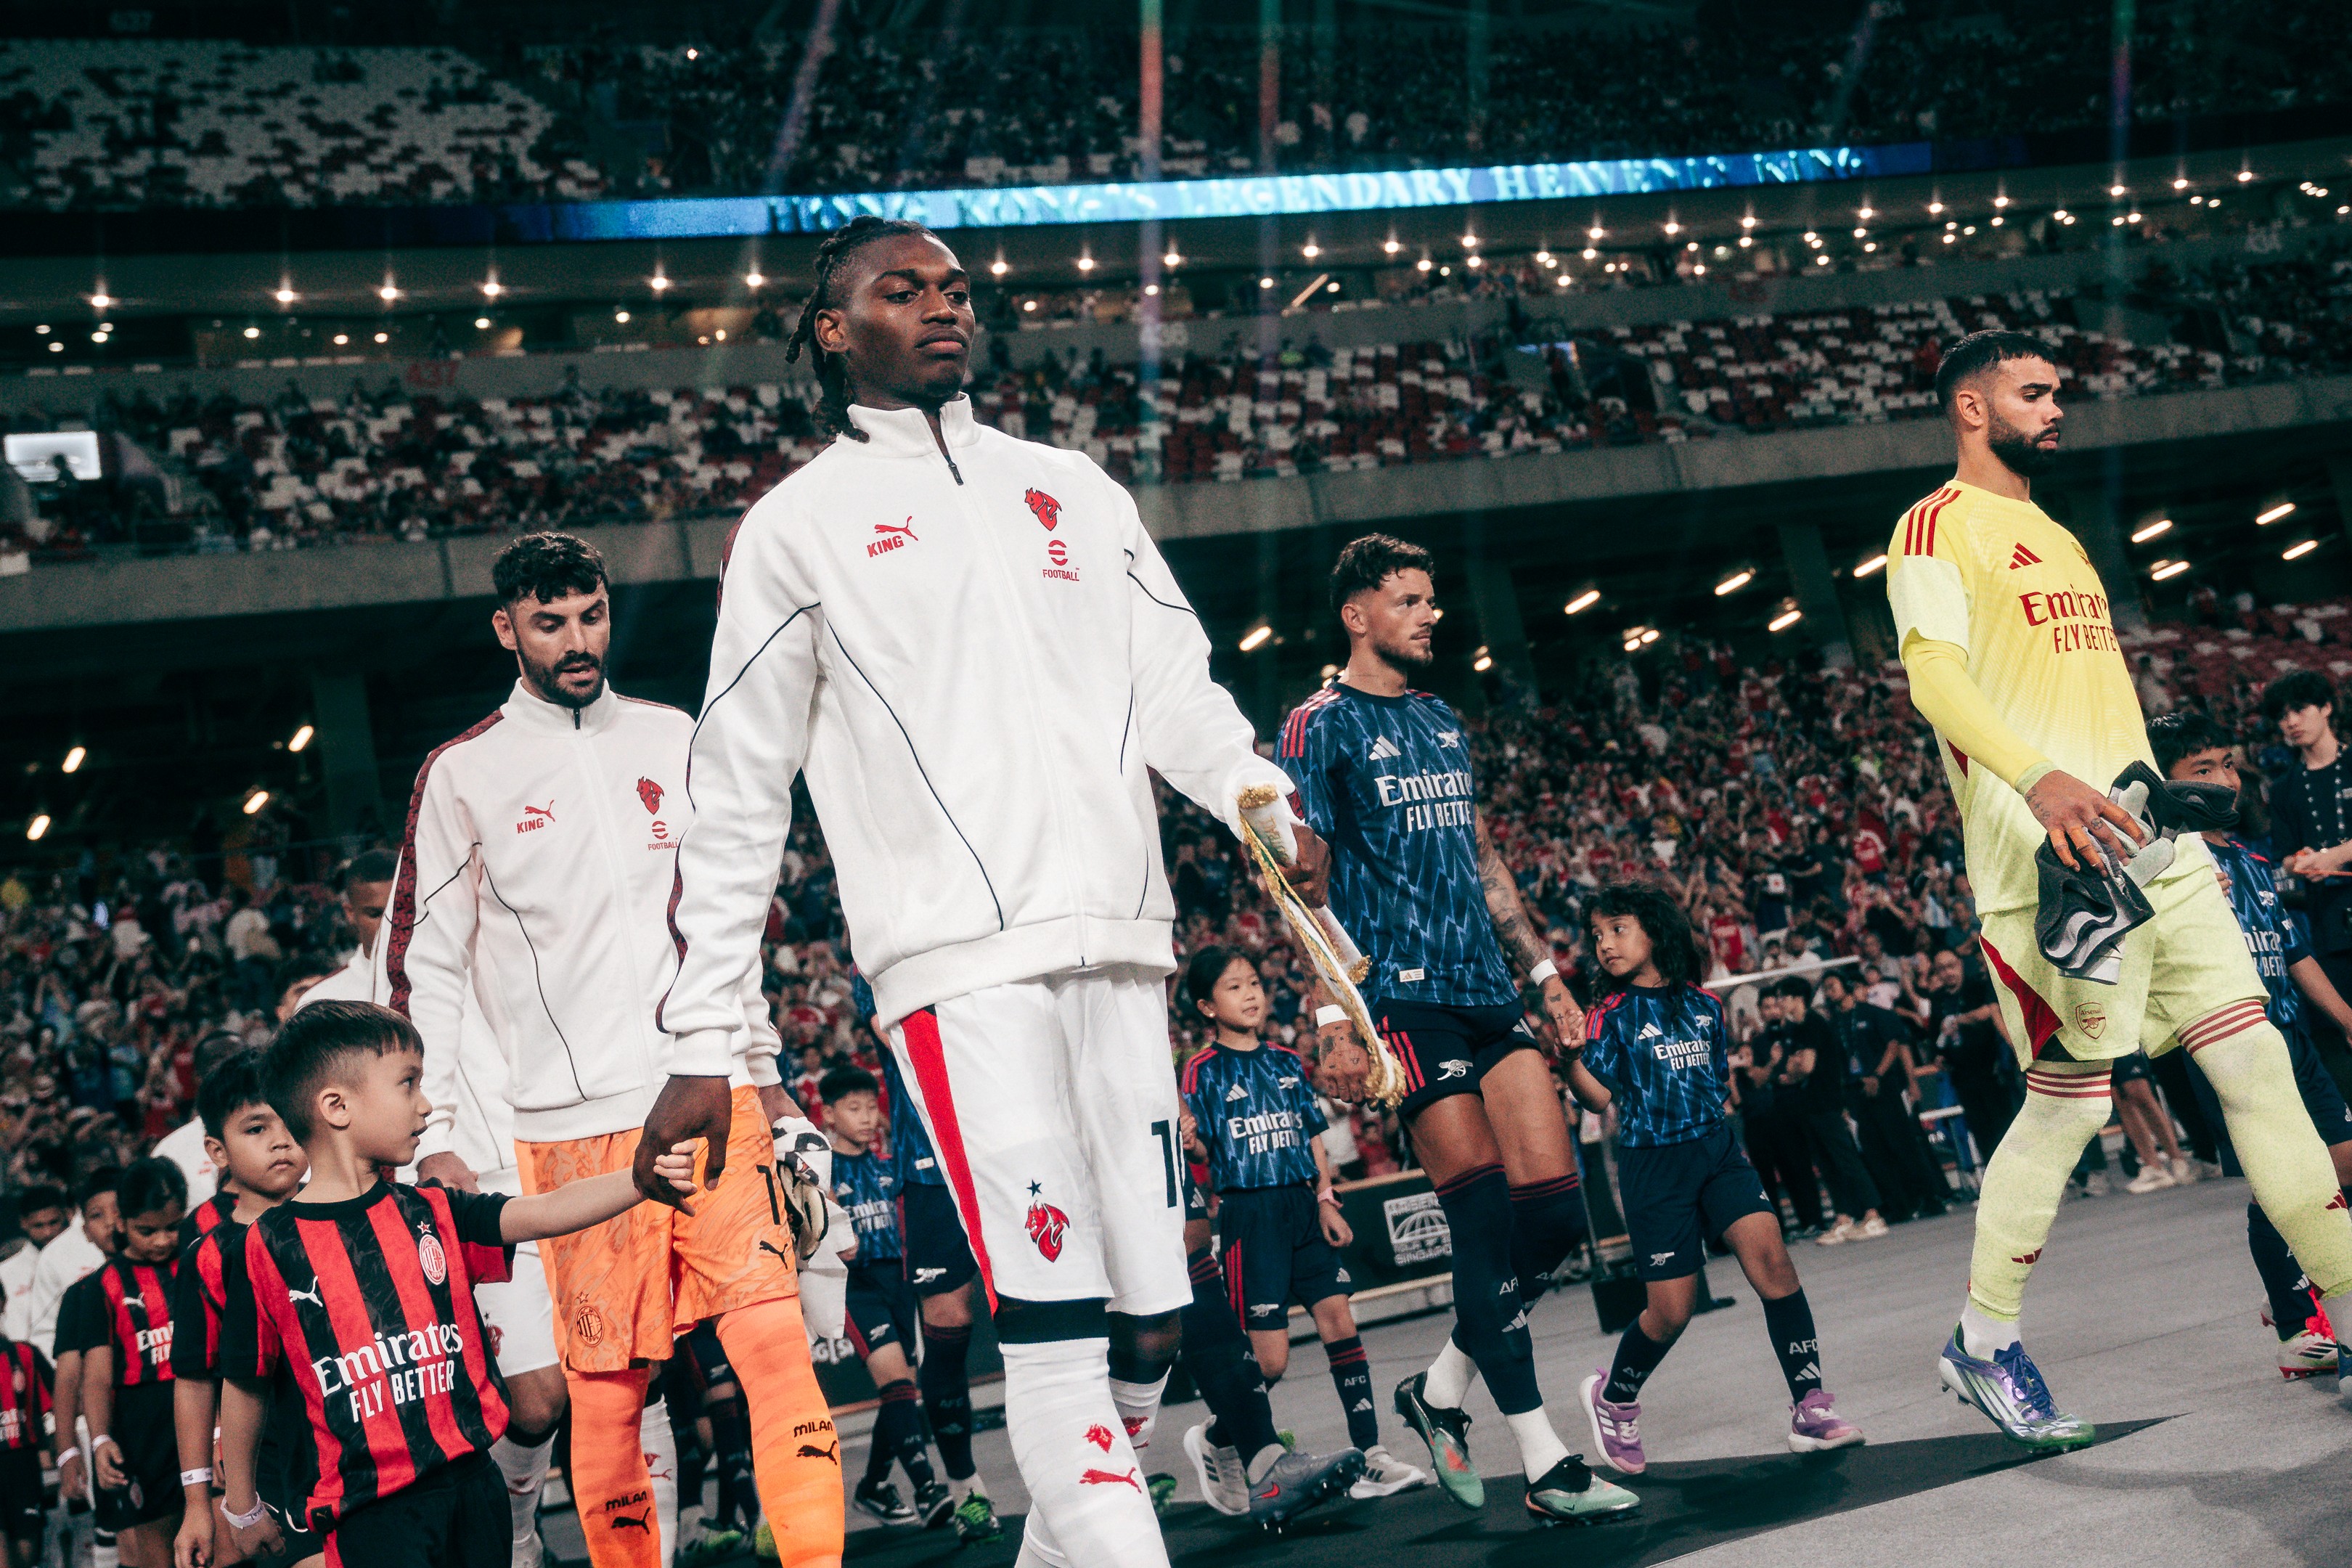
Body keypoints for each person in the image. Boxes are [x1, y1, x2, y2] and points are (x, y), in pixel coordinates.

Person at [657, 214, 1326, 1568]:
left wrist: (1259, 798)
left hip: (1125, 951)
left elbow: (1172, 690)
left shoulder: (1071, 486)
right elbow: (734, 791)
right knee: (1059, 1318)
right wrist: (700, 1036)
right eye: (902, 291)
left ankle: (1060, 1541)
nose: (944, 306)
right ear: (835, 332)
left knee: (1150, 1321)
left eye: (956, 288)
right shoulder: (796, 529)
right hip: (961, 971)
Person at [1885, 328, 2352, 1442]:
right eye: (2033, 394)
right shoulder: (1931, 528)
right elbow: (1933, 676)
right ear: (1969, 407)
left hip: (2153, 851)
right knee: (2074, 1104)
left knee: (2258, 1067)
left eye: (2060, 393)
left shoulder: (2055, 532)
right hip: (2049, 869)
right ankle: (1983, 1338)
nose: (2056, 409)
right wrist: (2041, 781)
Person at [386, 531, 825, 1568]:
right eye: (550, 623)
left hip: (706, 1094)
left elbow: (727, 928)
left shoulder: (677, 736)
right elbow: (428, 967)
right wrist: (435, 1132)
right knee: (610, 1395)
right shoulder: (463, 776)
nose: (576, 640)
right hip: (569, 1131)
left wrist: (760, 1075)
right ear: (508, 629)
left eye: (590, 616)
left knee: (774, 1347)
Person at [1277, 534, 1631, 1525]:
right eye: (1410, 600)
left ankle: (1436, 1392)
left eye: (1433, 600)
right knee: (1479, 1220)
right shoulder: (1317, 724)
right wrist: (1330, 1019)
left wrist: (1549, 975)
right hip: (1398, 1000)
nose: (1432, 614)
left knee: (1555, 1216)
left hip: (1487, 991)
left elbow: (1483, 863)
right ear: (1359, 615)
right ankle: (1544, 1463)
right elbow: (1303, 882)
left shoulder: (1440, 719)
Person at [213, 1001, 700, 1568]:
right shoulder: (265, 1246)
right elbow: (245, 1382)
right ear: (336, 1107)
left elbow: (544, 1210)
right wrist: (242, 1506)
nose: (427, 1106)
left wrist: (641, 1178)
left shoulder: (432, 1212)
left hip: (475, 1487)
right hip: (372, 1513)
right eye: (408, 1084)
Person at [1564, 884, 1864, 1473]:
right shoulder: (1609, 1015)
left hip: (1719, 1151)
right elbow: (1597, 1097)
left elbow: (1713, 1081)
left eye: (1617, 928)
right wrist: (1569, 1057)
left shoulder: (1706, 1007)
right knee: (1671, 1312)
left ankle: (1810, 1407)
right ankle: (1615, 1397)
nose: (1604, 943)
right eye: (1597, 934)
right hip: (1655, 1166)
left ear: (1655, 931)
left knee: (1774, 1264)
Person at [1175, 948, 1428, 1498]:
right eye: (1233, 987)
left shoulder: (1287, 1060)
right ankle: (1221, 1436)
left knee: (1340, 1322)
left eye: (1253, 983)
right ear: (1206, 1006)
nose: (1250, 994)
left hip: (1303, 1209)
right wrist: (1190, 1141)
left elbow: (1311, 1134)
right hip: (1249, 1217)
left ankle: (1371, 1455)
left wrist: (1325, 1196)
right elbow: (1194, 1151)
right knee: (1270, 1361)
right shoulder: (1199, 1071)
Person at [2151, 712, 2352, 1379]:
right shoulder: (2162, 867)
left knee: (2342, 1163)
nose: (2223, 780)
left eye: (2227, 764)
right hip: (2228, 1042)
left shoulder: (2251, 858)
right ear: (2163, 785)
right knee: (2285, 1178)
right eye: (2200, 770)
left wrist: (2347, 1019)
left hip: (2291, 1035)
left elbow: (2294, 952)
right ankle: (2295, 1328)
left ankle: (2298, 1290)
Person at [852, 973, 1000, 1544]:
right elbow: (895, 1030)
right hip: (928, 1168)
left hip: (998, 1152)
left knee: (1026, 1311)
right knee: (950, 1324)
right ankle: (966, 1487)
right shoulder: (880, 952)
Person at [1171, 1137, 1367, 1526]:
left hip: (1153, 1150)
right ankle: (1092, 1489)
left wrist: (1186, 1129)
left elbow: (1197, 1145)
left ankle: (1267, 1462)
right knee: (1265, 1362)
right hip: (1074, 1163)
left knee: (1190, 1253)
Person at [168, 1050, 312, 1568]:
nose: (280, 1140)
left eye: (290, 1122)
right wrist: (198, 1503)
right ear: (217, 1150)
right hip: (272, 1468)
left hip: (363, 1455)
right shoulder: (210, 1255)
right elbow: (193, 1380)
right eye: (256, 1128)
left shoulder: (345, 1222)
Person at [815, 1065, 952, 1529]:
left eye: (872, 1106)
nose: (867, 1116)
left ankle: (873, 1486)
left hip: (899, 1282)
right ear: (828, 1115)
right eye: (854, 1109)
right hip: (857, 1288)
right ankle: (928, 1487)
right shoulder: (820, 1172)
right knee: (896, 1383)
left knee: (900, 1391)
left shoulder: (887, 1162)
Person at [82, 1158, 189, 1568]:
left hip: (201, 1405)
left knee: (220, 1535)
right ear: (122, 1222)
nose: (162, 1240)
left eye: (172, 1227)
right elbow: (96, 1376)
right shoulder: (101, 1286)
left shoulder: (197, 1261)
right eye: (148, 1230)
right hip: (142, 1424)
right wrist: (100, 1439)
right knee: (157, 1544)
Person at [1763, 979, 1887, 1244]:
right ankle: (1844, 1217)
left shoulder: (1812, 1024)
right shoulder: (1796, 1029)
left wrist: (1793, 1069)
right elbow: (1790, 1067)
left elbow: (1804, 1066)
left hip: (1826, 1103)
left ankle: (1873, 1214)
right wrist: (1791, 1068)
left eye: (1783, 998)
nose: (1780, 1003)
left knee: (1845, 1158)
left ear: (1798, 999)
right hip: (1809, 1106)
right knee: (1827, 1164)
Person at [1818, 973, 1949, 1222]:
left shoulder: (1873, 1013)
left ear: (1847, 986)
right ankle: (1898, 1203)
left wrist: (1879, 1076)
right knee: (1874, 1150)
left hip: (1885, 1087)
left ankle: (1929, 1197)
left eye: (1832, 986)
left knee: (1903, 1143)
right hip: (1856, 1092)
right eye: (1825, 989)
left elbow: (1894, 1044)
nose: (1829, 992)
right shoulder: (1833, 1025)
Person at [1922, 948, 2017, 1169]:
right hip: (1962, 1076)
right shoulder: (1938, 998)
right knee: (1982, 1131)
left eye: (1951, 966)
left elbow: (1989, 1013)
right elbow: (1936, 1035)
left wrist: (1964, 1020)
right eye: (1942, 969)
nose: (1948, 973)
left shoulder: (1978, 986)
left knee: (2006, 1126)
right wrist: (1939, 1057)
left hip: (1991, 1070)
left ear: (1960, 965)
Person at [0, 1277, 57, 1568]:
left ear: (2, 1303)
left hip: (22, 1466)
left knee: (26, 1556)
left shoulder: (24, 1354)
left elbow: (61, 1398)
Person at [294, 854, 396, 1008]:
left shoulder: (443, 979)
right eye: (375, 914)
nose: (390, 923)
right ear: (350, 913)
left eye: (400, 911)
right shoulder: (323, 1002)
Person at [0, 1186, 69, 1342]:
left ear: (65, 1216)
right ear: (24, 1223)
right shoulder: (5, 1274)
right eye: (39, 1225)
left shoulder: (84, 1262)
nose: (48, 1232)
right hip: (23, 1362)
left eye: (53, 1223)